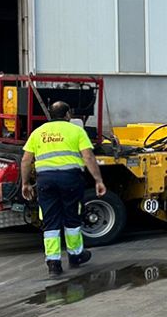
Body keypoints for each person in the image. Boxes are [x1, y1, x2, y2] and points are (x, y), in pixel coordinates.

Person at [20, 101, 107, 276]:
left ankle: (53, 263)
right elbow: (88, 157)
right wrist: (98, 180)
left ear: (50, 115)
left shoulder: (38, 132)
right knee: (71, 217)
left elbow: (26, 160)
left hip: (46, 181)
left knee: (50, 222)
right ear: (68, 114)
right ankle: (76, 256)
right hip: (70, 180)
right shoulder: (76, 131)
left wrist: (25, 183)